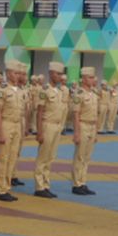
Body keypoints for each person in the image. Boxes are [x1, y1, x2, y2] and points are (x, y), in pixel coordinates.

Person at [0, 60, 28, 202]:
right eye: (15, 73)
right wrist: (0, 131)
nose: (18, 75)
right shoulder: (2, 90)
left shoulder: (20, 91)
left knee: (12, 158)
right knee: (3, 158)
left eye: (19, 73)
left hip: (17, 125)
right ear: (8, 74)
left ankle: (7, 187)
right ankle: (0, 189)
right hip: (6, 125)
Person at [33, 61, 69, 198]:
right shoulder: (44, 90)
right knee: (42, 157)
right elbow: (40, 112)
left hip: (57, 126)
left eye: (61, 74)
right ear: (51, 74)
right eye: (58, 74)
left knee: (50, 158)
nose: (60, 77)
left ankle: (46, 184)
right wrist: (39, 131)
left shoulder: (59, 91)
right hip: (47, 125)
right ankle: (39, 187)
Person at [70, 66, 100, 195]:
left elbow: (96, 114)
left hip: (92, 127)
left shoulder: (94, 94)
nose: (93, 80)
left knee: (87, 157)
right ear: (83, 79)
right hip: (82, 125)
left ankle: (83, 182)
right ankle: (77, 184)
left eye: (93, 77)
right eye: (90, 77)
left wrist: (96, 132)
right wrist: (76, 132)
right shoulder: (79, 94)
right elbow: (76, 114)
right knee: (80, 156)